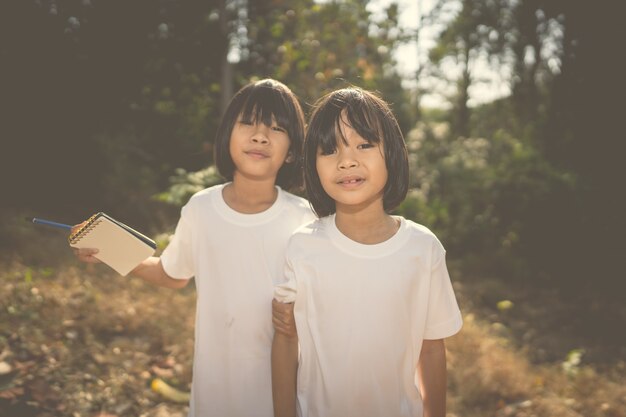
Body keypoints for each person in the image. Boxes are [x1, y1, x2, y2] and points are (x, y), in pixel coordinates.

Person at [74, 79, 315, 417]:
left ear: (291, 150)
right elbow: (172, 273)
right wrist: (107, 247)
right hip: (216, 388)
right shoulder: (202, 209)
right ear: (227, 133)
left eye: (276, 128)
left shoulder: (304, 219)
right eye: (248, 122)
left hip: (285, 394)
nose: (260, 136)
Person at [271, 87, 463, 417]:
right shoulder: (301, 246)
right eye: (330, 149)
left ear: (393, 153)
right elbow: (286, 341)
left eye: (364, 144)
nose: (347, 160)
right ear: (313, 165)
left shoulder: (423, 249)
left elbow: (431, 349)